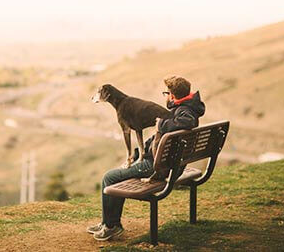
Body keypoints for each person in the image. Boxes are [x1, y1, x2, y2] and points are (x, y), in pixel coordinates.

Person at [87, 75, 205, 241]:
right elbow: (159, 138)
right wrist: (137, 155)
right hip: (167, 161)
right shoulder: (185, 109)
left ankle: (111, 226)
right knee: (116, 175)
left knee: (109, 177)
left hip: (158, 165)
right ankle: (108, 223)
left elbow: (186, 123)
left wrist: (161, 124)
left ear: (172, 95)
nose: (166, 97)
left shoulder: (184, 112)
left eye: (166, 93)